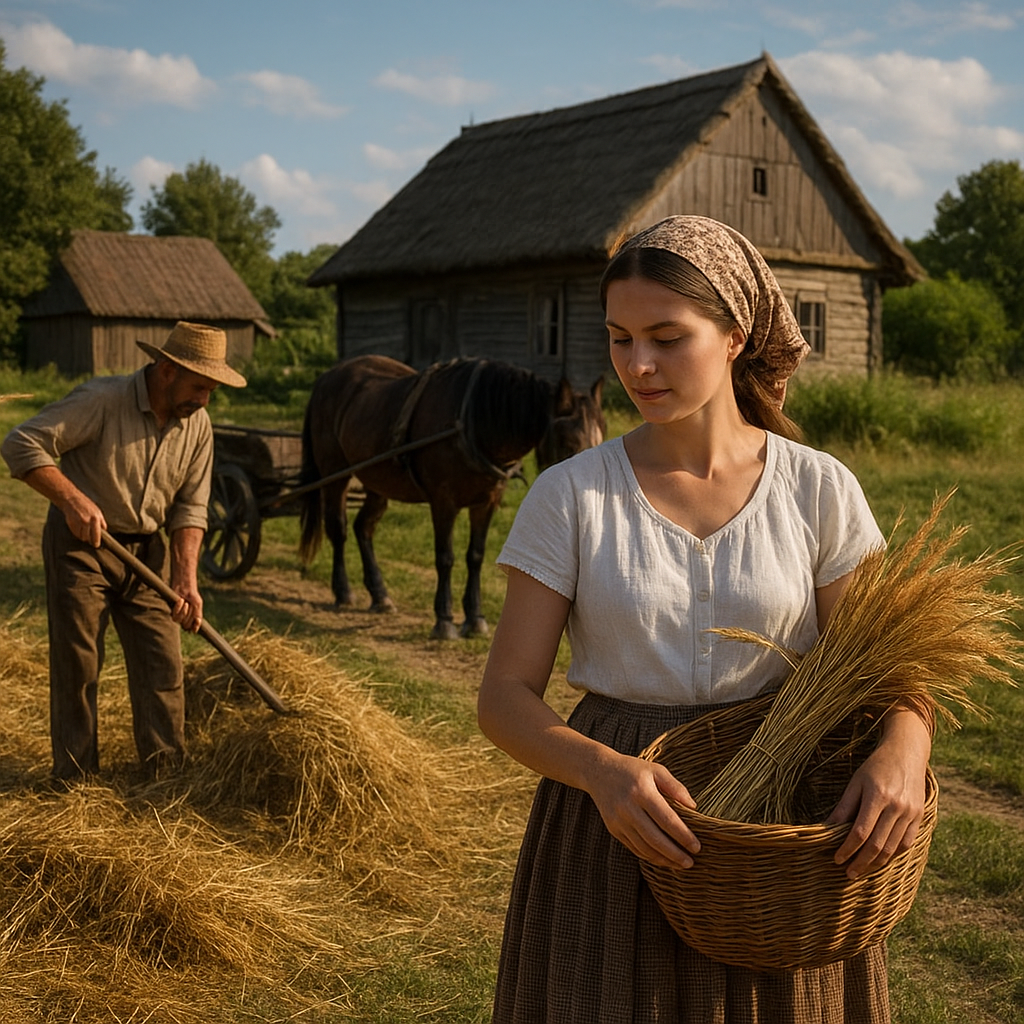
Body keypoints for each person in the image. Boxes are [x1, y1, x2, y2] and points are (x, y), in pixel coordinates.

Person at [477, 216, 933, 1024]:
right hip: (621, 831)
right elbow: (505, 695)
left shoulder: (817, 489)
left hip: (784, 830)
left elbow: (887, 673)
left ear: (735, 336)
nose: (637, 365)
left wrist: (904, 748)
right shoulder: (572, 497)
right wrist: (601, 772)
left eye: (666, 336)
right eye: (619, 339)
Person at [1, 321, 247, 781]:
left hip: (148, 551)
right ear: (168, 370)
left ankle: (165, 776)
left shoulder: (198, 426)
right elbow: (20, 442)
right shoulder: (101, 400)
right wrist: (71, 498)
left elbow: (192, 508)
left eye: (212, 390)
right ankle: (75, 779)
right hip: (82, 545)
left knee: (163, 662)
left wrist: (186, 578)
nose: (204, 400)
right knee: (80, 662)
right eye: (199, 387)